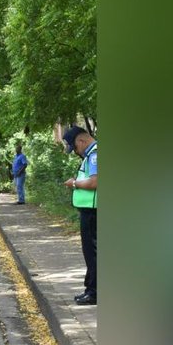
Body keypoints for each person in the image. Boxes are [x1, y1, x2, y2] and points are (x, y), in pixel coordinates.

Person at [62, 126, 98, 305]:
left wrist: (74, 183)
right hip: (89, 210)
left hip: (93, 211)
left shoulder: (94, 155)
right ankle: (90, 289)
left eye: (75, 148)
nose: (76, 152)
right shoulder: (91, 154)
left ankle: (94, 292)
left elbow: (94, 182)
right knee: (91, 252)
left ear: (81, 141)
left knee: (92, 252)